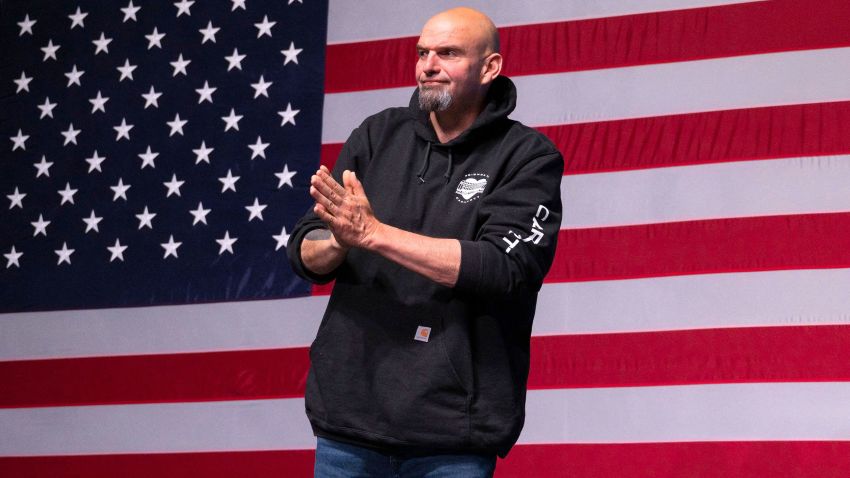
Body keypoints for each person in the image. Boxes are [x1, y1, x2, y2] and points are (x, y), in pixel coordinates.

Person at [287, 7, 563, 477]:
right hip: (348, 423)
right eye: (422, 53)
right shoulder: (377, 134)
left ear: (490, 68)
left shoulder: (527, 157)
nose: (427, 65)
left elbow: (501, 268)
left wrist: (373, 234)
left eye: (448, 53)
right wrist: (339, 241)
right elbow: (305, 249)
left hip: (451, 432)